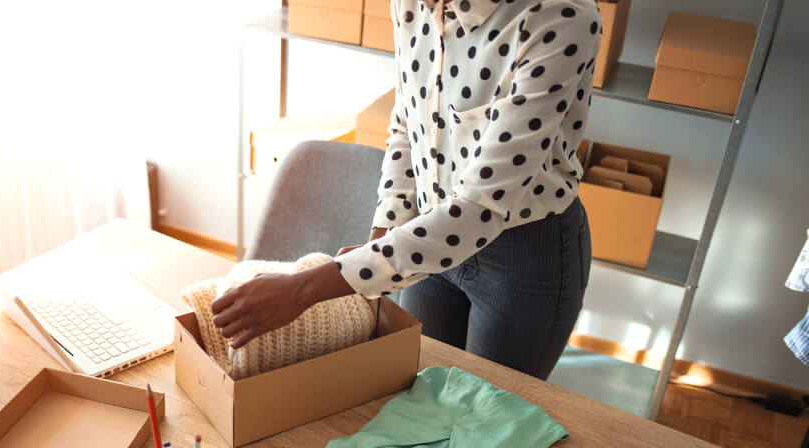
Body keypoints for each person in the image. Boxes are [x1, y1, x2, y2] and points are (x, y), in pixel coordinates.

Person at [211, 0, 601, 380]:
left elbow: (480, 206)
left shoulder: (560, 16)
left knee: (486, 423)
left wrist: (304, 290)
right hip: (423, 234)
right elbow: (408, 123)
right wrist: (386, 227)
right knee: (419, 396)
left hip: (522, 257)